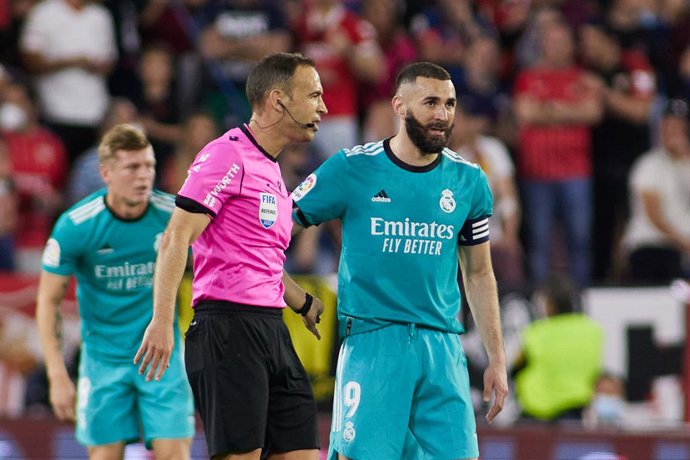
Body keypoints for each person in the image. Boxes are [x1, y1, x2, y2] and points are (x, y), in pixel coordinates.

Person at [291, 62, 508, 460]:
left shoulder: (470, 181)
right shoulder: (352, 167)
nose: (442, 114)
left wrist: (496, 358)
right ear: (400, 106)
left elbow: (479, 273)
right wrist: (292, 293)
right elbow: (273, 232)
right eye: (430, 102)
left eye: (449, 103)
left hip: (443, 348)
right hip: (374, 344)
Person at [134, 52, 327, 459]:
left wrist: (302, 302)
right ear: (278, 100)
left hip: (272, 328)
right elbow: (175, 238)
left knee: (304, 452)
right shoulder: (226, 154)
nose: (322, 107)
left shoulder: (271, 167)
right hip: (226, 329)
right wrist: (160, 321)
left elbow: (259, 257)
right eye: (313, 96)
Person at [35, 124, 194, 459]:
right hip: (103, 360)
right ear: (106, 173)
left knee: (175, 454)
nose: (143, 176)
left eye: (149, 166)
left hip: (162, 356)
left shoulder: (175, 216)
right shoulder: (76, 226)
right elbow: (48, 302)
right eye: (132, 167)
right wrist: (57, 374)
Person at [514, 274, 604, 422]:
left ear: (550, 306)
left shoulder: (535, 333)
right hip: (576, 408)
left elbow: (516, 369)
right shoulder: (593, 331)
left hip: (537, 409)